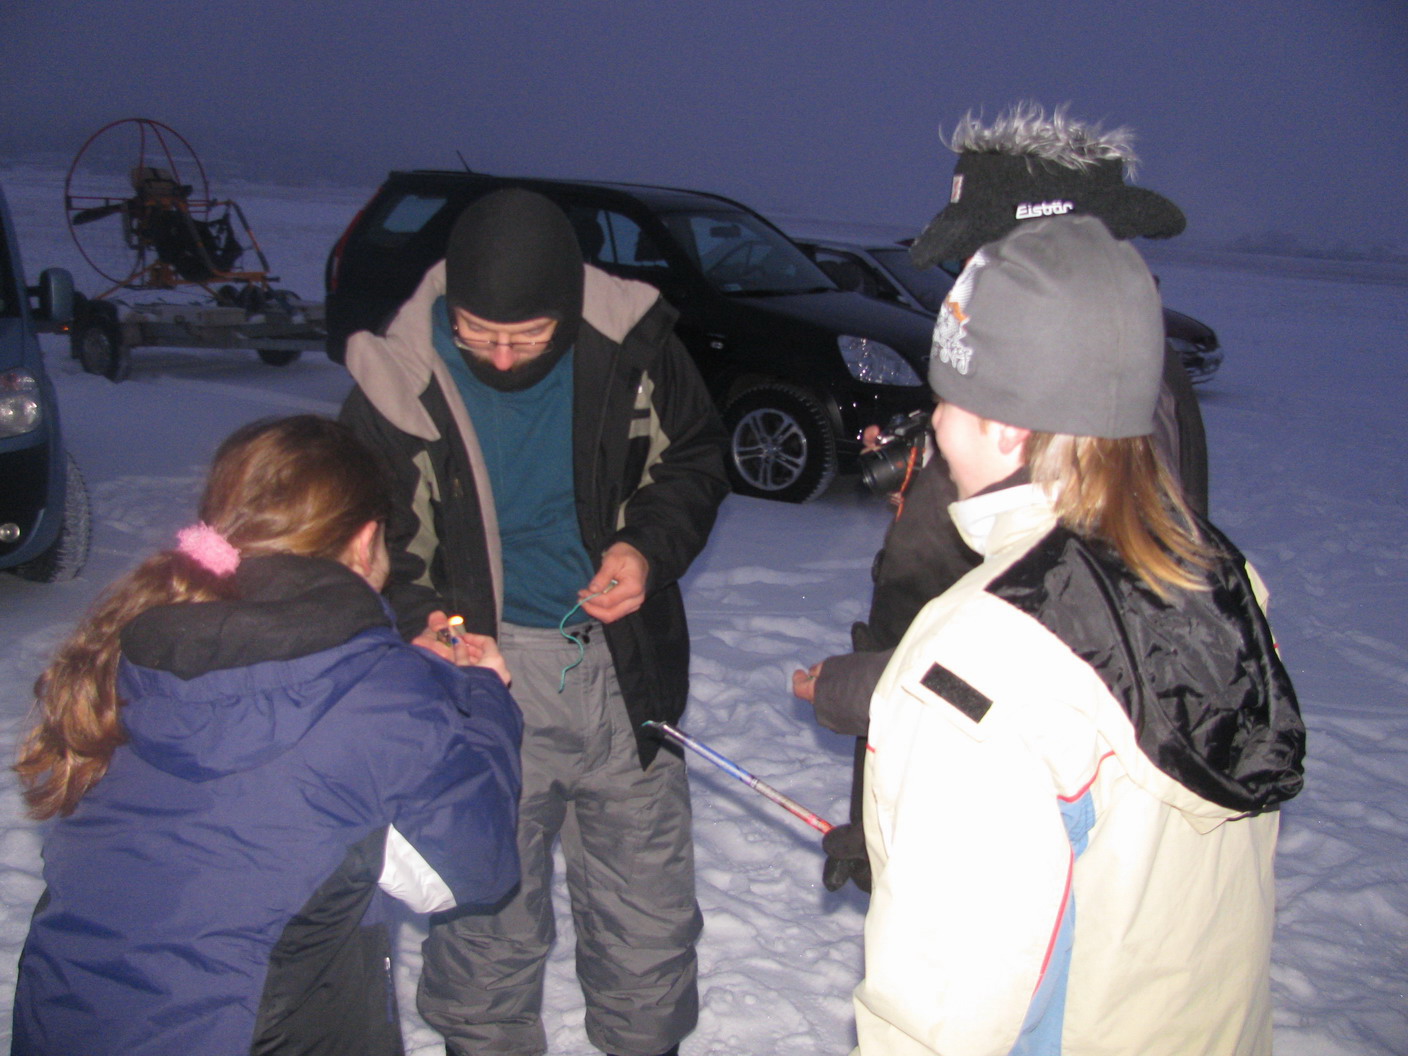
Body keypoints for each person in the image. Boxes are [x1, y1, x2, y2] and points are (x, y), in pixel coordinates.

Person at [852, 214, 1304, 1055]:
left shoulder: (977, 654)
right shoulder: (1221, 578)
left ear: (1008, 427)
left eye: (947, 399)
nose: (935, 426)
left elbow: (945, 1011)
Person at [339, 188, 729, 1056]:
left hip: (624, 667)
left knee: (649, 913)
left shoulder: (630, 343)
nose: (503, 356)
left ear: (569, 305)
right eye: (478, 332)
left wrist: (646, 550)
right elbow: (366, 537)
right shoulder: (397, 382)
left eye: (527, 336)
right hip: (483, 680)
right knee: (488, 921)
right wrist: (423, 623)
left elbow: (698, 457)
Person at [11, 415, 524, 1056]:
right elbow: (469, 872)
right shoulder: (379, 698)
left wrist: (411, 681)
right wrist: (481, 697)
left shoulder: (136, 643)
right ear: (366, 540)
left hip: (68, 1016)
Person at [794, 102, 1208, 893]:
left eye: (980, 257)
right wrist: (930, 479)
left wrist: (867, 701)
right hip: (941, 730)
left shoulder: (1108, 401)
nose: (965, 278)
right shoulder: (1054, 360)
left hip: (989, 806)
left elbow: (1044, 660)